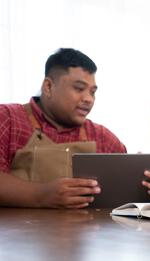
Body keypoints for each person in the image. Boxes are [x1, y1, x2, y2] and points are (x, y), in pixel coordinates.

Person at [0, 48, 126, 209]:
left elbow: (127, 185)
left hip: (86, 233)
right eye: (79, 88)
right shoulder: (8, 118)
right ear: (48, 86)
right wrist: (41, 195)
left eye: (92, 92)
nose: (88, 99)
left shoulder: (102, 137)